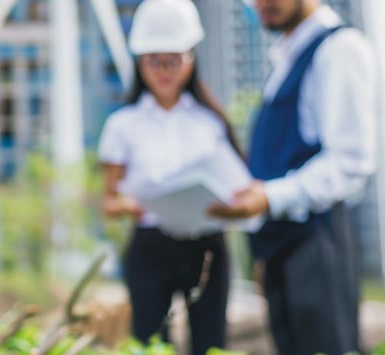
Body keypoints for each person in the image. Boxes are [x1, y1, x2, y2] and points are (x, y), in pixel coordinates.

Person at [208, 0, 378, 354]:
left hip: (317, 245)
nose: (261, 5)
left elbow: (350, 161)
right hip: (281, 248)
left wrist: (269, 198)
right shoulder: (284, 56)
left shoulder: (339, 49)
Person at [98, 1, 241, 353]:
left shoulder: (211, 121)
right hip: (150, 247)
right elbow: (109, 202)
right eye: (153, 60)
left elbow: (237, 187)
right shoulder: (122, 125)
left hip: (207, 245)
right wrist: (135, 205)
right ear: (139, 63)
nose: (164, 70)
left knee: (211, 344)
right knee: (149, 342)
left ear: (191, 59)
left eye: (173, 59)